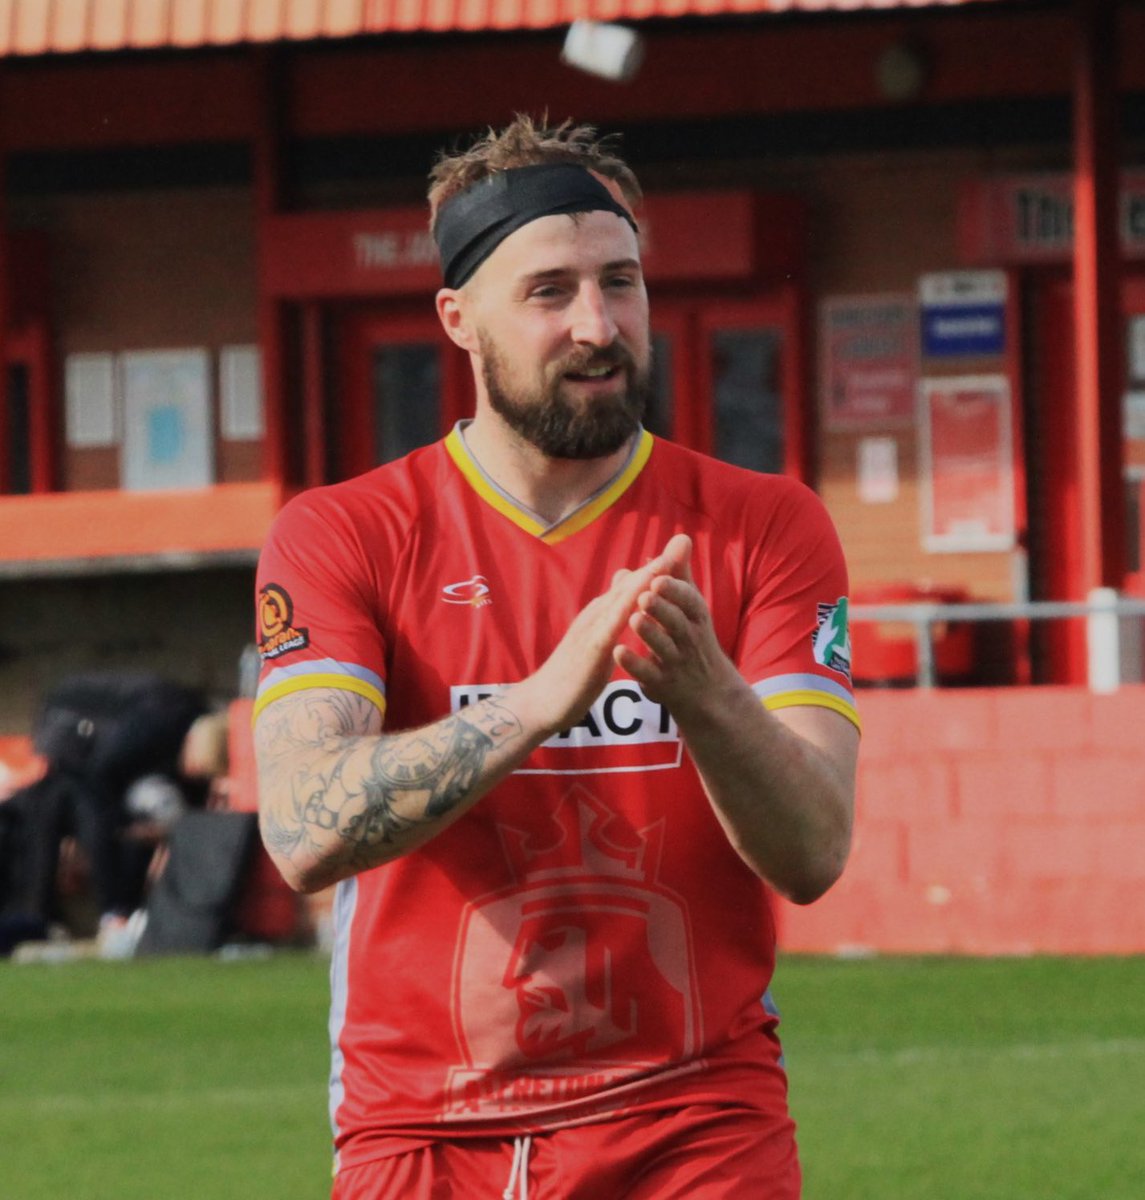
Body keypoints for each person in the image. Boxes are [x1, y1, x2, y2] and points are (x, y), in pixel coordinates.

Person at [253, 116, 861, 1200]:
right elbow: (301, 831)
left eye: (618, 282)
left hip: (697, 1125)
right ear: (458, 319)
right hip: (426, 1132)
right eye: (548, 292)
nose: (598, 324)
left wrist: (704, 691)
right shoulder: (343, 532)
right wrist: (539, 702)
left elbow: (812, 855)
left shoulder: (762, 526)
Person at [0, 671, 228, 956]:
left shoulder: (186, 729)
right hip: (68, 722)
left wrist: (162, 834)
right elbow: (102, 774)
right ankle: (115, 914)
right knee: (101, 817)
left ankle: (122, 911)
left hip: (103, 742)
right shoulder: (157, 723)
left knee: (132, 823)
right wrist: (126, 829)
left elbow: (187, 802)